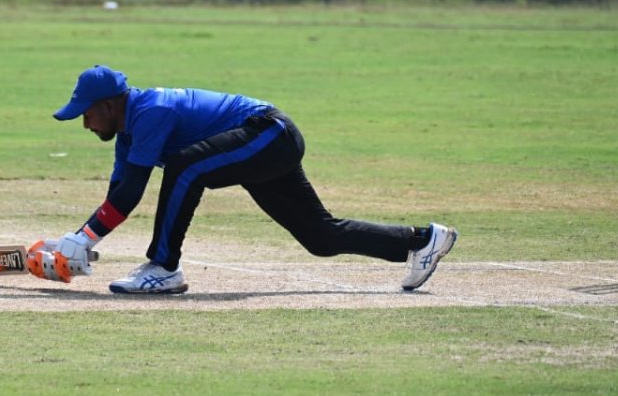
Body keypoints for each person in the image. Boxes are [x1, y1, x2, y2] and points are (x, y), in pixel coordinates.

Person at [41, 65, 457, 295]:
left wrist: (86, 239)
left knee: (188, 167)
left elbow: (134, 189)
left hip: (269, 133)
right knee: (321, 238)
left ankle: (164, 267)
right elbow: (122, 195)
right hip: (261, 145)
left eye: (86, 114)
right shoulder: (128, 129)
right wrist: (76, 240)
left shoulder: (151, 111)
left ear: (111, 105)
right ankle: (420, 241)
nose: (84, 123)